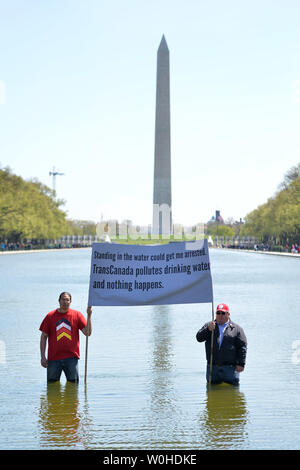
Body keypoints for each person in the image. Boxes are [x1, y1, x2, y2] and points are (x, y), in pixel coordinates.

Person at [40, 292, 92, 383]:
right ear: (59, 301)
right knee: (52, 387)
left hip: (71, 358)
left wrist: (89, 315)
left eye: (67, 299)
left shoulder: (77, 315)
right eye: (63, 299)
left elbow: (88, 333)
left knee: (73, 386)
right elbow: (44, 337)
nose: (65, 302)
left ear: (70, 301)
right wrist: (43, 357)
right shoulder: (50, 316)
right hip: (53, 358)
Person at [196, 303, 247, 385]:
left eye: (223, 313)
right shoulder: (209, 325)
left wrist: (241, 364)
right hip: (213, 368)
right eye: (218, 313)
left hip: (230, 368)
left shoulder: (237, 329)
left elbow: (242, 347)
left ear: (228, 314)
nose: (220, 315)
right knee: (211, 392)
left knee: (232, 394)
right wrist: (208, 329)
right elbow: (199, 338)